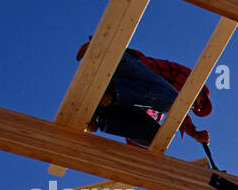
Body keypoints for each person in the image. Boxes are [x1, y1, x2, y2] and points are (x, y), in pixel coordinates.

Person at [77, 40, 212, 147]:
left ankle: (102, 113)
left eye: (197, 108)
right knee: (174, 102)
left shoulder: (156, 106)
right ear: (199, 89)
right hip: (125, 66)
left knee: (157, 138)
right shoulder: (186, 79)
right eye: (200, 101)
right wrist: (193, 132)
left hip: (123, 93)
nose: (195, 106)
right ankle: (101, 54)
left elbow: (134, 131)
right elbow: (180, 106)